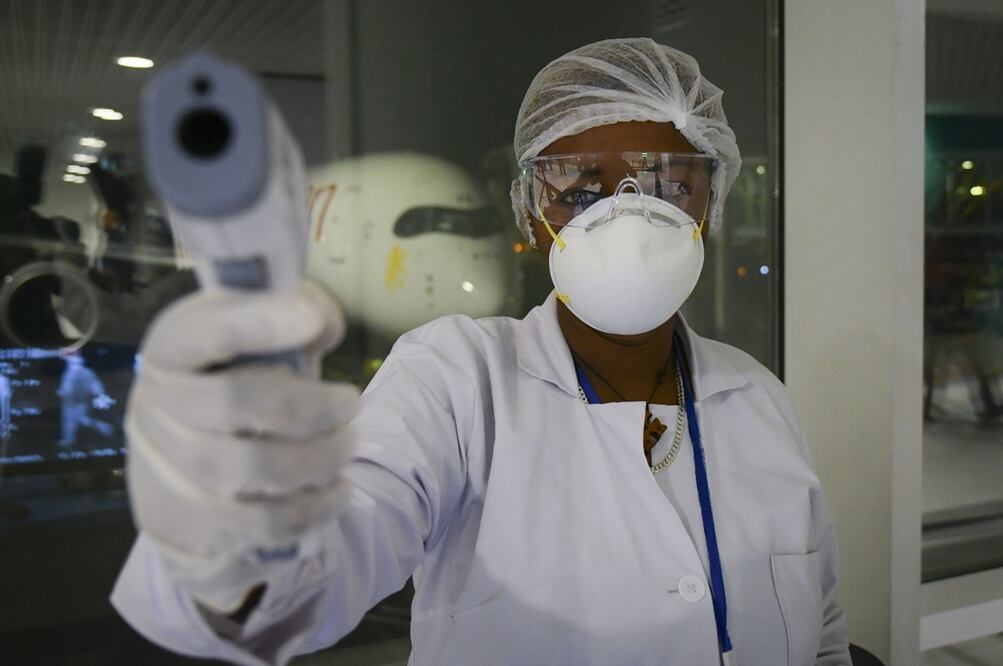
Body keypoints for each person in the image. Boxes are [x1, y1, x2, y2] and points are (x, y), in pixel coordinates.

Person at [112, 38, 850, 665]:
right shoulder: (455, 379)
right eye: (579, 191)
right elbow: (316, 566)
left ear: (708, 208)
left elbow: (821, 628)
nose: (629, 216)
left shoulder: (756, 396)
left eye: (665, 186)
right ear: (529, 213)